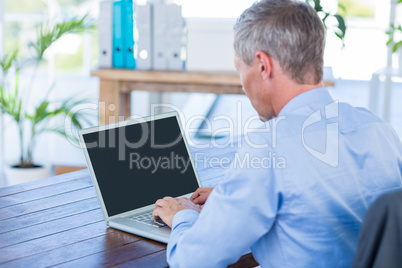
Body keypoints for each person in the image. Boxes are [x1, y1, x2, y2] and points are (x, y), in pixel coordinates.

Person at [152, 0, 402, 267]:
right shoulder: (378, 129)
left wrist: (183, 215)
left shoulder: (269, 146)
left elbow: (191, 261)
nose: (243, 86)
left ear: (262, 66)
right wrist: (235, 200)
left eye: (241, 70)